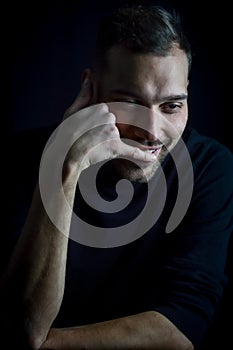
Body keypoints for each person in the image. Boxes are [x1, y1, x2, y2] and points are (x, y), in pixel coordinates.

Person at [1, 3, 233, 350]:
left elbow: (183, 326)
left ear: (187, 91)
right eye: (129, 103)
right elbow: (21, 320)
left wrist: (45, 345)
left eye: (172, 106)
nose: (152, 131)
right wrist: (64, 165)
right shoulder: (20, 159)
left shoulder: (208, 165)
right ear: (90, 89)